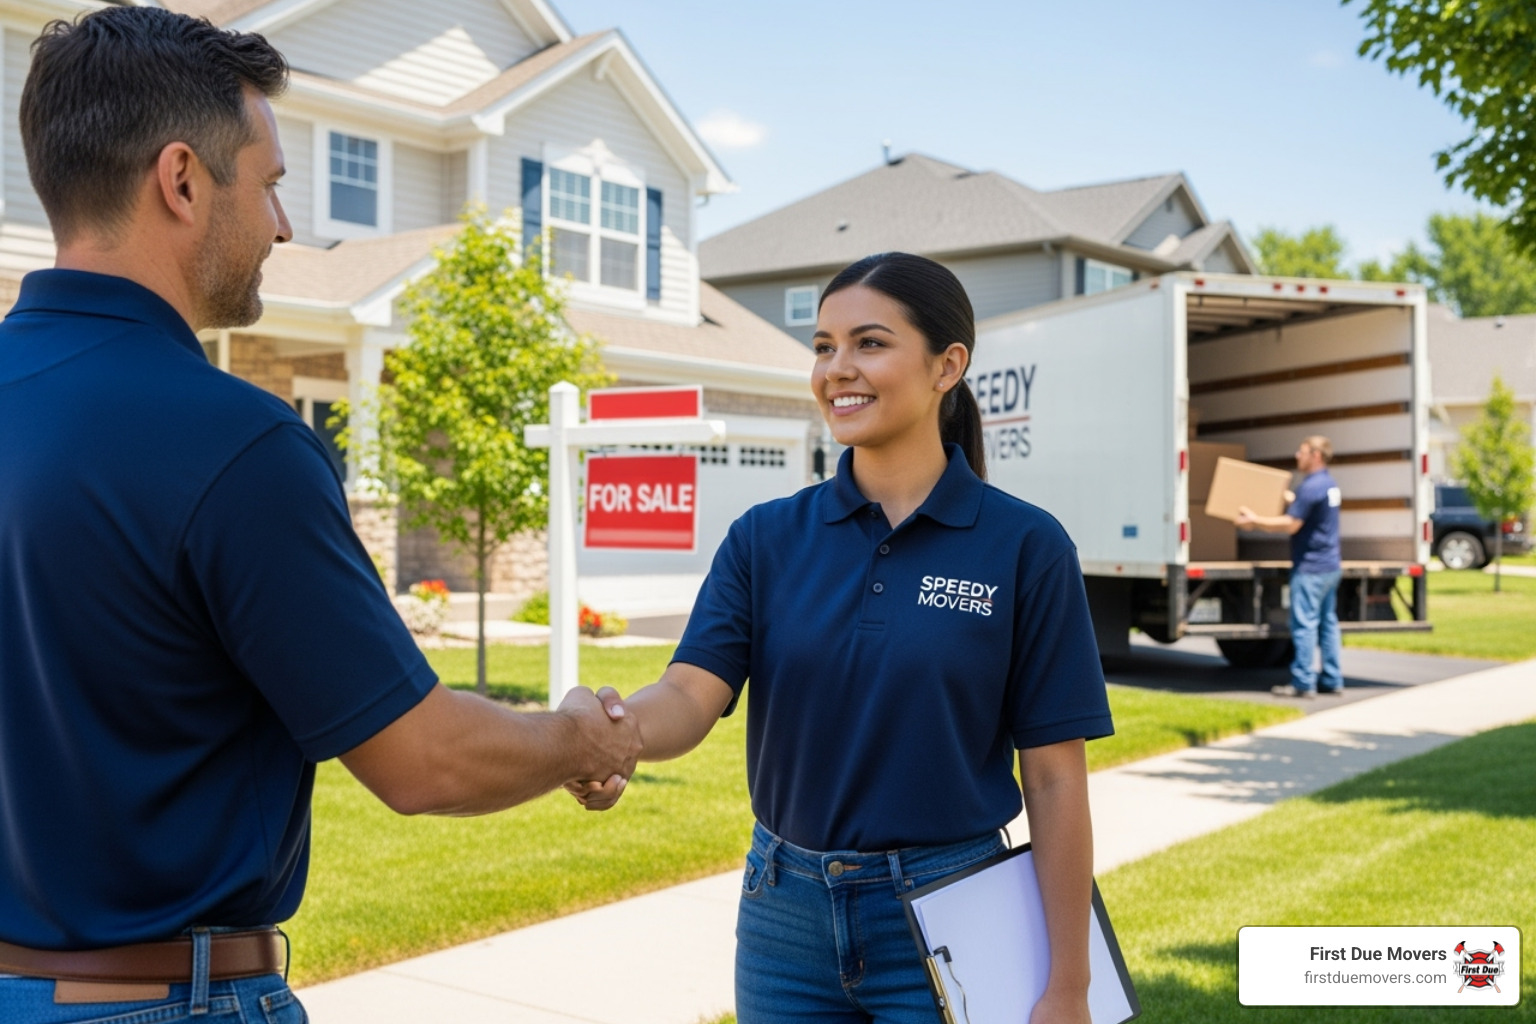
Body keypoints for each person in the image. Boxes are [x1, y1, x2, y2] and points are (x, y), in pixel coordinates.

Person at [0, 9, 638, 1022]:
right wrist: (577, 741)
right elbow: (422, 759)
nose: (284, 227)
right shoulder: (234, 442)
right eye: (269, 185)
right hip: (165, 1001)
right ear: (181, 181)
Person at [568, 253, 1113, 1024]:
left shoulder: (1025, 546)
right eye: (823, 346)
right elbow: (688, 694)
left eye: (870, 343)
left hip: (952, 911)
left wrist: (1070, 985)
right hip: (783, 922)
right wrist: (612, 736)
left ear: (947, 366)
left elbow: (1055, 781)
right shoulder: (765, 538)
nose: (836, 370)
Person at [1236, 435, 1344, 698]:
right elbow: (1307, 508)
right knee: (1328, 624)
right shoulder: (1328, 484)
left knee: (1304, 625)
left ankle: (1303, 682)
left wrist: (1255, 521)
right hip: (1330, 565)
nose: (1297, 455)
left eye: (1302, 451)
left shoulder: (1311, 487)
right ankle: (1332, 679)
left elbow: (1291, 524)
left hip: (1311, 568)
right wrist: (1288, 497)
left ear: (1315, 455)